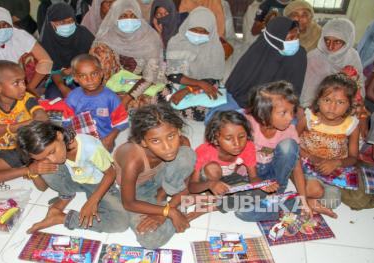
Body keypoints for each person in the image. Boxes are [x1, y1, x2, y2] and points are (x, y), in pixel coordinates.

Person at [16, 121, 129, 234]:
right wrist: (33, 170)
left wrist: (93, 200)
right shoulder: (49, 156)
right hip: (74, 178)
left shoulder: (90, 147)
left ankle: (60, 217)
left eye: (52, 152)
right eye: (41, 157)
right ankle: (66, 195)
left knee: (120, 223)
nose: (53, 160)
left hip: (99, 182)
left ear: (59, 136)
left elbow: (111, 173)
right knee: (43, 166)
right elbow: (42, 188)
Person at [114, 104, 196, 249]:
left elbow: (187, 181)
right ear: (143, 142)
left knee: (187, 155)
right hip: (138, 192)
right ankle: (170, 205)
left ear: (178, 131)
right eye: (156, 141)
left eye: (171, 136)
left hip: (161, 177)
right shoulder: (133, 159)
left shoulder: (182, 142)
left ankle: (163, 195)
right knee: (150, 240)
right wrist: (168, 211)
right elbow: (128, 202)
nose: (168, 147)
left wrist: (165, 212)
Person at [235, 81, 311, 221]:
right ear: (264, 114)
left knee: (289, 145)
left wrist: (304, 199)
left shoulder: (289, 130)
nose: (290, 118)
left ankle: (282, 196)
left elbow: (296, 167)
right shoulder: (246, 124)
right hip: (249, 179)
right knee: (242, 211)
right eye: (283, 113)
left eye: (292, 112)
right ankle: (289, 205)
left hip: (274, 181)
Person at [0, 60, 49, 186]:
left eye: (23, 81)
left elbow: (43, 119)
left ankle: (27, 168)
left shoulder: (26, 98)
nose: (23, 86)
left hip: (29, 146)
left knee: (44, 184)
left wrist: (7, 128)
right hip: (6, 153)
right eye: (16, 83)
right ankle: (27, 170)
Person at [188, 110, 278, 218]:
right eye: (228, 138)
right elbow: (192, 186)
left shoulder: (248, 146)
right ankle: (211, 195)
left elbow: (253, 177)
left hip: (228, 179)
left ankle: (210, 206)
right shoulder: (204, 151)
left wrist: (263, 185)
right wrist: (210, 184)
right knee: (213, 168)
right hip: (207, 180)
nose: (237, 144)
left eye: (241, 137)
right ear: (216, 139)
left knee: (261, 194)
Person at [297, 74, 359, 218]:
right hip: (305, 166)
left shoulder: (351, 125)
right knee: (314, 189)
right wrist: (309, 156)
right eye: (327, 100)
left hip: (331, 171)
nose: (332, 107)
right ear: (318, 99)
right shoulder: (309, 118)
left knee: (333, 201)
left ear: (349, 104)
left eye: (340, 102)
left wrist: (336, 163)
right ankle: (308, 195)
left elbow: (354, 158)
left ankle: (309, 200)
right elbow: (291, 141)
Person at [90, 0, 166, 108]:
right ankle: (102, 95)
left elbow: (149, 78)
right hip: (116, 82)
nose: (129, 20)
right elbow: (95, 67)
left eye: (133, 16)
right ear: (115, 17)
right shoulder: (108, 36)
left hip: (145, 84)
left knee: (147, 101)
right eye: (123, 16)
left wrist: (126, 99)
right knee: (99, 49)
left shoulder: (150, 38)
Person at [223, 16, 306, 109]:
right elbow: (237, 89)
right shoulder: (257, 54)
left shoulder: (299, 55)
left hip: (280, 108)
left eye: (297, 37)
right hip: (244, 104)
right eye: (291, 38)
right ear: (275, 40)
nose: (295, 42)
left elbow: (294, 92)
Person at [161, 7, 225, 121]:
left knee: (201, 112)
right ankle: (173, 110)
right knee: (159, 99)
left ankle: (174, 111)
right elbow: (173, 75)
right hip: (180, 81)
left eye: (203, 31)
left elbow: (212, 78)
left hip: (207, 83)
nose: (198, 34)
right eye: (194, 30)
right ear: (187, 26)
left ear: (210, 32)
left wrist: (187, 90)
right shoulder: (176, 42)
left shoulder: (215, 47)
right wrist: (198, 83)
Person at [0, 7, 53, 96]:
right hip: (1, 85)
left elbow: (46, 62)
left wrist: (29, 88)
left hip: (30, 83)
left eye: (6, 25)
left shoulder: (22, 37)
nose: (2, 29)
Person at [65, 54, 129, 151]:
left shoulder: (110, 97)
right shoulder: (72, 97)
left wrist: (111, 138)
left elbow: (122, 121)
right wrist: (72, 139)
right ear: (75, 78)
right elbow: (66, 122)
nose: (89, 80)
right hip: (80, 139)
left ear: (101, 73)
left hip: (104, 139)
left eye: (94, 74)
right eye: (82, 76)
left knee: (103, 160)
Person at [300, 18, 364, 109]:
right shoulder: (314, 57)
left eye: (337, 42)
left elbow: (358, 89)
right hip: (317, 108)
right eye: (327, 40)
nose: (330, 46)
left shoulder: (352, 57)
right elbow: (307, 94)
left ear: (347, 41)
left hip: (345, 107)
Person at [40, 3, 94, 99]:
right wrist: (63, 88)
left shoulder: (83, 34)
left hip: (85, 75)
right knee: (54, 98)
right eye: (61, 22)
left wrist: (76, 68)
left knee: (85, 96)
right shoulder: (47, 41)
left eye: (70, 21)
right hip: (56, 80)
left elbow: (94, 58)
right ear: (51, 23)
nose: (67, 25)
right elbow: (53, 70)